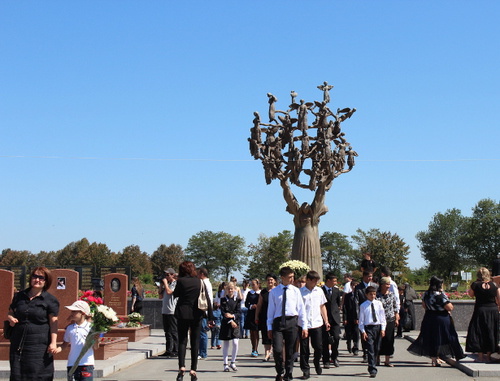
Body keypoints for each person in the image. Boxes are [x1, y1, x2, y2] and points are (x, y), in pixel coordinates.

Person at [6, 267, 59, 381]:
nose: (37, 280)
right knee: (18, 375)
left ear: (46, 281)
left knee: (37, 375)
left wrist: (53, 343)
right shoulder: (19, 296)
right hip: (18, 343)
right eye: (35, 276)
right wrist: (10, 318)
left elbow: (53, 322)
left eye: (41, 278)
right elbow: (10, 312)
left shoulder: (50, 300)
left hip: (39, 345)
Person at [407, 276, 465, 366]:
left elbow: (424, 305)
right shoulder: (440, 295)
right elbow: (450, 307)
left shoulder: (426, 294)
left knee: (432, 338)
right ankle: (458, 354)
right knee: (450, 335)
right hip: (441, 317)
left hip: (429, 316)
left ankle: (434, 359)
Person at [173, 261, 213, 381]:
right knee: (195, 341)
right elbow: (207, 299)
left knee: (182, 340)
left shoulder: (180, 281)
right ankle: (193, 369)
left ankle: (182, 367)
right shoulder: (199, 281)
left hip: (182, 313)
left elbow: (175, 294)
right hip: (197, 314)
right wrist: (210, 317)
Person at [267, 266, 308, 381]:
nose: (292, 279)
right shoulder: (274, 292)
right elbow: (271, 310)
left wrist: (304, 326)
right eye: (289, 277)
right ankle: (280, 370)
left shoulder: (295, 291)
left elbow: (301, 309)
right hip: (278, 323)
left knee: (290, 350)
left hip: (292, 322)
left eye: (293, 277)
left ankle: (288, 372)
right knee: (278, 349)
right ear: (282, 278)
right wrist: (269, 327)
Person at [465, 267, 500, 363]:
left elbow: (471, 295)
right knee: (491, 332)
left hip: (480, 309)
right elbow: (499, 299)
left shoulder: (475, 284)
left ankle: (480, 357)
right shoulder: (494, 285)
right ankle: (488, 357)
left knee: (478, 331)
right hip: (492, 310)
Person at [300, 271, 329, 380]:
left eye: (317, 281)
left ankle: (317, 362)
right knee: (304, 349)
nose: (316, 283)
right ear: (308, 280)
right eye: (314, 281)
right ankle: (305, 370)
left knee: (318, 347)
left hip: (317, 323)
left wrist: (326, 321)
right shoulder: (300, 292)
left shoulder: (319, 291)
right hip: (304, 324)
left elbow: (322, 306)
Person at [55, 300, 96, 381]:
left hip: (86, 364)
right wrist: (56, 350)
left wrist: (96, 339)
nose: (72, 313)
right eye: (71, 311)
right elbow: (64, 345)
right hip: (72, 364)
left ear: (83, 313)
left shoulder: (91, 328)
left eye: (74, 311)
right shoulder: (70, 328)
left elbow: (96, 346)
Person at [359, 286, 386, 378]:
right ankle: (372, 369)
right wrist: (363, 331)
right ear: (366, 295)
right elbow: (361, 320)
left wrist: (383, 329)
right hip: (368, 328)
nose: (373, 296)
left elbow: (382, 317)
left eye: (374, 294)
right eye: (371, 294)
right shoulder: (363, 306)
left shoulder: (379, 304)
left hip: (377, 327)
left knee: (376, 349)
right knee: (370, 349)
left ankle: (374, 362)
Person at [354, 271, 378, 362]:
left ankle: (374, 353)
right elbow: (356, 302)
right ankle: (365, 353)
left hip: (374, 315)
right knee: (364, 335)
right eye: (368, 276)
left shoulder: (375, 286)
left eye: (371, 276)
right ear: (364, 277)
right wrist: (357, 316)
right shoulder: (358, 287)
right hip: (363, 314)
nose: (370, 278)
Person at [376, 277, 399, 367]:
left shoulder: (391, 295)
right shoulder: (377, 295)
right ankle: (377, 358)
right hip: (379, 320)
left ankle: (387, 360)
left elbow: (395, 307)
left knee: (389, 340)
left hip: (390, 320)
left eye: (389, 284)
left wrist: (396, 318)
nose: (388, 286)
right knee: (379, 340)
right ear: (381, 285)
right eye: (387, 284)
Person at [255, 273, 277, 362]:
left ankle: (275, 352)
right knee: (265, 335)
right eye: (268, 280)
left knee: (275, 335)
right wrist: (256, 316)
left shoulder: (277, 291)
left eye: (271, 280)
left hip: (275, 316)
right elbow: (259, 305)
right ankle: (267, 353)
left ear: (275, 281)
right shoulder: (263, 292)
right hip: (265, 316)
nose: (270, 281)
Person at [321, 272, 341, 369]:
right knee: (325, 340)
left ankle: (334, 357)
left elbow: (338, 303)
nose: (336, 282)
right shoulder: (320, 290)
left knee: (336, 338)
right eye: (334, 281)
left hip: (335, 318)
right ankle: (326, 360)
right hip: (324, 318)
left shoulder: (336, 291)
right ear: (328, 281)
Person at [220, 282, 241, 372]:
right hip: (226, 324)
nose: (230, 290)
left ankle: (233, 362)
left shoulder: (237, 300)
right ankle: (225, 364)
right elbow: (224, 312)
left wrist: (233, 317)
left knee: (235, 342)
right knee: (226, 343)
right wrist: (230, 320)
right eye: (228, 289)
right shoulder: (223, 300)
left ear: (234, 289)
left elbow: (239, 312)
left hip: (236, 324)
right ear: (226, 290)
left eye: (232, 289)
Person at [159, 268, 178, 357]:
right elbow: (160, 296)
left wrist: (166, 284)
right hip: (165, 310)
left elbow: (169, 291)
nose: (166, 277)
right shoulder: (167, 284)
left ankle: (176, 350)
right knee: (167, 331)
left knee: (173, 331)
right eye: (165, 275)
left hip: (172, 310)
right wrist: (161, 285)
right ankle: (168, 349)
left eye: (167, 275)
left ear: (172, 275)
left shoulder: (175, 283)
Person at [197, 267, 213, 360]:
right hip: (206, 309)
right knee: (202, 332)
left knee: (202, 332)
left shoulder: (204, 283)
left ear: (202, 274)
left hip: (203, 310)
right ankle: (202, 352)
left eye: (198, 273)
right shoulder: (208, 283)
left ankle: (202, 353)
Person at [244, 278, 261, 357]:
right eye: (252, 284)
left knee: (256, 331)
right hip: (251, 313)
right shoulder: (250, 293)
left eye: (254, 284)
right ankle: (253, 348)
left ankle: (256, 348)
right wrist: (251, 306)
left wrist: (258, 306)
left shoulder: (260, 293)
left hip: (258, 314)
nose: (253, 286)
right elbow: (246, 303)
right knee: (251, 331)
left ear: (258, 284)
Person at [343, 280, 360, 355]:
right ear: (351, 286)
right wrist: (345, 318)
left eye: (356, 285)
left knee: (356, 333)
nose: (354, 287)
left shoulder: (360, 295)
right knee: (349, 333)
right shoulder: (348, 295)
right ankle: (349, 343)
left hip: (357, 318)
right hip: (349, 317)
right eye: (353, 285)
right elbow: (345, 307)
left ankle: (355, 347)